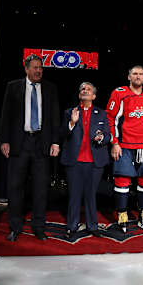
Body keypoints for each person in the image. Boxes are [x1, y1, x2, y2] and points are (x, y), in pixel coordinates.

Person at [0, 54, 60, 242]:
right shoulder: (13, 87)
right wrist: (4, 141)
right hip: (20, 143)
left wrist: (55, 142)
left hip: (41, 143)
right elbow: (6, 116)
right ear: (26, 69)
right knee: (15, 187)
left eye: (40, 67)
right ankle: (15, 227)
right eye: (34, 67)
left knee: (41, 188)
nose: (38, 70)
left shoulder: (50, 88)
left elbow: (55, 117)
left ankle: (39, 226)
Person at [105, 65, 143, 233]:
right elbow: (110, 118)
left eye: (141, 74)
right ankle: (122, 213)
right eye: (134, 74)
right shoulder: (119, 93)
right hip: (125, 144)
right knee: (122, 181)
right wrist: (114, 142)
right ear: (129, 77)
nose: (138, 76)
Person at [60, 82, 111, 238]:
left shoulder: (101, 114)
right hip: (74, 161)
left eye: (88, 89)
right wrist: (72, 123)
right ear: (79, 94)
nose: (85, 91)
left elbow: (107, 135)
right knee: (74, 194)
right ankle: (72, 225)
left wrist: (101, 137)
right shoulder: (70, 112)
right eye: (82, 89)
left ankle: (92, 225)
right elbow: (62, 134)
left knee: (90, 194)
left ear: (94, 96)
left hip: (95, 161)